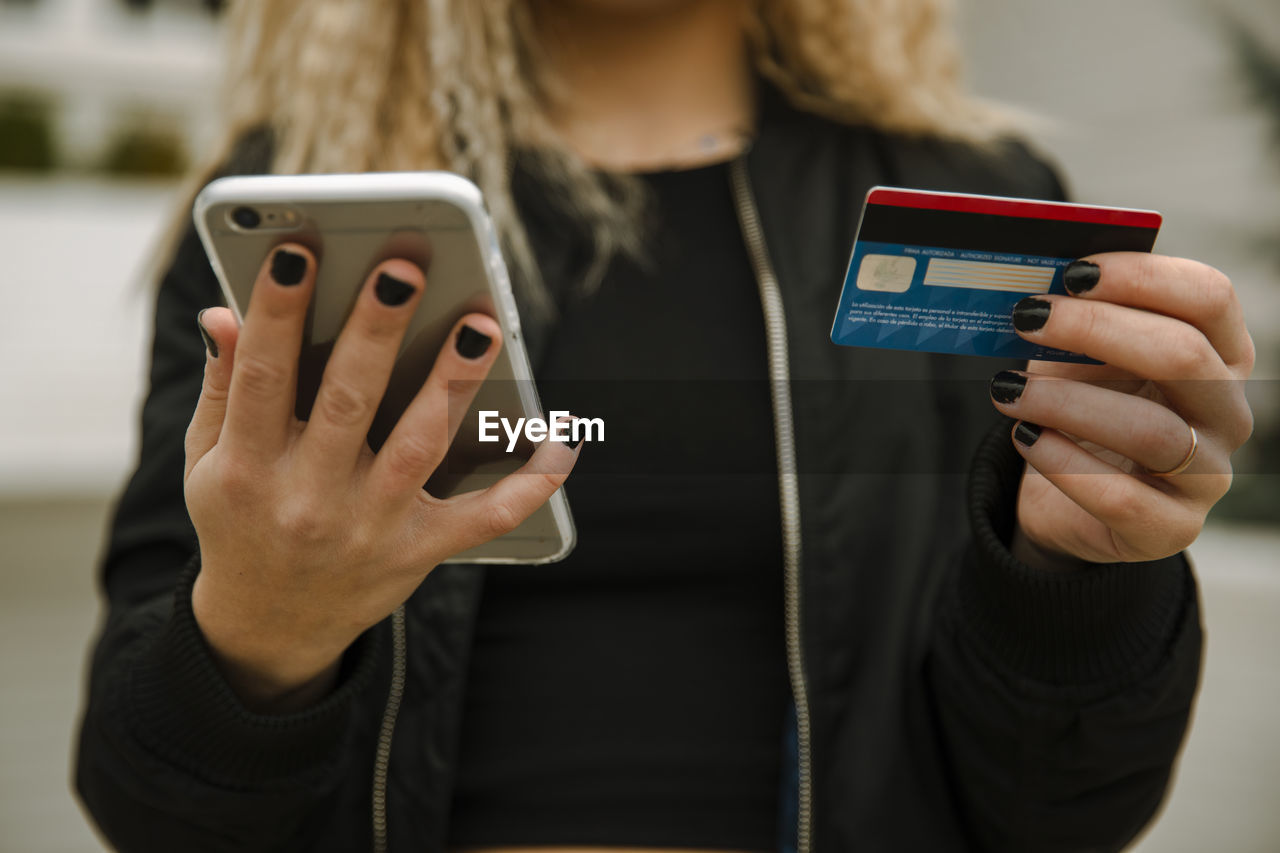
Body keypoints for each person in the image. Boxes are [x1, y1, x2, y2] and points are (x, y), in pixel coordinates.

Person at [74, 1, 1256, 851]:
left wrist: (1078, 578)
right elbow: (146, 806)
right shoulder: (293, 216)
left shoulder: (983, 207)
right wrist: (260, 636)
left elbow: (1059, 813)